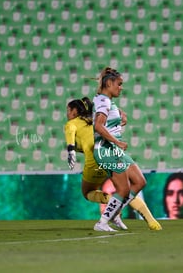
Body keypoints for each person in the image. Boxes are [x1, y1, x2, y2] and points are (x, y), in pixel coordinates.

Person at [65, 97, 161, 231]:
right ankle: (150, 220)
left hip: (96, 162)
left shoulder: (72, 123)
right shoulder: (95, 117)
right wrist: (121, 114)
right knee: (126, 188)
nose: (67, 114)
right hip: (111, 154)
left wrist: (70, 150)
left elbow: (70, 133)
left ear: (75, 111)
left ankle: (110, 209)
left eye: (68, 110)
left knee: (88, 192)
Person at [92, 67, 158, 231]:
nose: (121, 87)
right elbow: (98, 126)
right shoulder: (103, 101)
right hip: (106, 149)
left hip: (114, 149)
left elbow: (105, 117)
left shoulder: (106, 101)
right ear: (109, 83)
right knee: (123, 189)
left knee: (140, 181)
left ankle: (115, 214)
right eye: (119, 84)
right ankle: (102, 223)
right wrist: (117, 141)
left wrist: (121, 114)